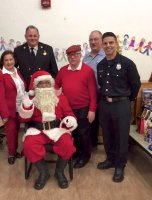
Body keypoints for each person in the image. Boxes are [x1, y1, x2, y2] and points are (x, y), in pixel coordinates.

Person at [18, 70, 77, 190]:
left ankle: (59, 172)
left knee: (67, 144)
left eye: (47, 83)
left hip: (57, 130)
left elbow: (69, 114)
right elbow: (22, 120)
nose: (44, 85)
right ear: (36, 86)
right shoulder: (30, 99)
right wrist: (26, 108)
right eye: (41, 83)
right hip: (37, 130)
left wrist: (70, 120)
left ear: (51, 84)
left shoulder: (60, 97)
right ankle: (43, 172)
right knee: (28, 144)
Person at [96, 32, 141, 182]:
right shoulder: (101, 65)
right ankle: (110, 159)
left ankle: (120, 165)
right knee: (107, 134)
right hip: (104, 105)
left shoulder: (127, 63)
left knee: (122, 136)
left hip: (121, 104)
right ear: (102, 45)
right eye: (106, 43)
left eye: (111, 43)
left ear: (116, 44)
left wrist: (129, 99)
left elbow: (136, 84)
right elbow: (102, 85)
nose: (108, 45)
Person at [55, 45, 97, 168]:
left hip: (83, 108)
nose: (73, 57)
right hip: (67, 109)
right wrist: (57, 91)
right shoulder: (62, 70)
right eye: (70, 55)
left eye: (76, 54)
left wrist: (92, 110)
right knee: (72, 133)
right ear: (67, 57)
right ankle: (76, 152)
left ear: (80, 55)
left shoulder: (87, 70)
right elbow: (56, 84)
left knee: (83, 134)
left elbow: (93, 92)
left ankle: (85, 156)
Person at [0, 50, 26, 165]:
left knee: (17, 130)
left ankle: (16, 150)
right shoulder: (0, 75)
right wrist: (4, 114)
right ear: (2, 61)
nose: (9, 62)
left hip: (20, 108)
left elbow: (22, 89)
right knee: (11, 132)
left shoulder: (17, 71)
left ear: (14, 60)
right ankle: (11, 153)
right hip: (9, 109)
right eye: (6, 60)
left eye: (11, 59)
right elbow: (0, 97)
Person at [83, 30, 105, 147]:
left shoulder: (107, 55)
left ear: (101, 41)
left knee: (105, 122)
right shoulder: (85, 57)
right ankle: (91, 144)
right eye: (91, 39)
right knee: (91, 121)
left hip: (104, 95)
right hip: (90, 96)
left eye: (96, 39)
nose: (93, 42)